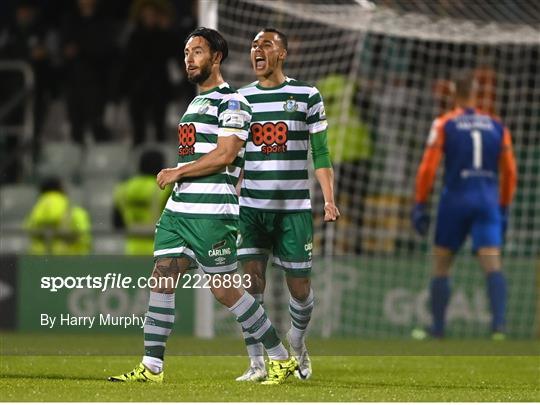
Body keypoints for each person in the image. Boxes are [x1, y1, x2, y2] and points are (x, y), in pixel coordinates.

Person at [108, 27, 298, 385]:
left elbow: (226, 155)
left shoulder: (233, 102)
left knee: (225, 289)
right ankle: (152, 367)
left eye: (197, 52)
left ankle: (279, 357)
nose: (189, 59)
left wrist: (178, 171)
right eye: (185, 53)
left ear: (216, 57)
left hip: (211, 214)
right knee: (161, 278)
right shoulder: (196, 103)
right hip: (179, 213)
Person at [235, 28, 340, 382]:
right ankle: (256, 363)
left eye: (265, 44)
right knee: (251, 287)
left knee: (301, 288)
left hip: (294, 209)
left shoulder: (307, 94)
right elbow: (231, 155)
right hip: (250, 209)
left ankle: (297, 341)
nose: (257, 50)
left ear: (282, 53)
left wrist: (329, 199)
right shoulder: (240, 99)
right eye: (253, 45)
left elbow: (321, 152)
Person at [411, 72, 517, 340]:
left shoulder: (445, 123)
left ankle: (438, 329)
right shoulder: (497, 126)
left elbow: (427, 169)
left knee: (442, 265)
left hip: (455, 200)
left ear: (453, 92)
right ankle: (499, 328)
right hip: (487, 202)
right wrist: (503, 206)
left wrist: (420, 203)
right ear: (476, 94)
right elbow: (511, 172)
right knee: (493, 264)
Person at [113, 149, 171, 255]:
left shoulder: (123, 188)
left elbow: (117, 223)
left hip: (129, 249)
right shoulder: (164, 189)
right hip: (157, 249)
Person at [26, 178, 91, 255]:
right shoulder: (76, 213)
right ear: (61, 189)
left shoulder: (34, 214)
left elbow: (28, 235)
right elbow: (85, 241)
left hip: (39, 263)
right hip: (72, 263)